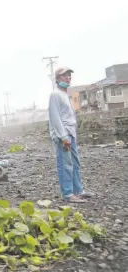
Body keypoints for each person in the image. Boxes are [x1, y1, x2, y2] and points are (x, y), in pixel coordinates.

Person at [48, 67, 95, 203]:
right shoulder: (55, 95)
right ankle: (68, 194)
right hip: (64, 135)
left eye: (69, 75)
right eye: (64, 76)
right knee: (65, 164)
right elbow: (55, 117)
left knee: (75, 162)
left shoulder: (67, 95)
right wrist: (63, 137)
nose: (68, 78)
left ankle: (78, 190)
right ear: (57, 78)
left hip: (71, 133)